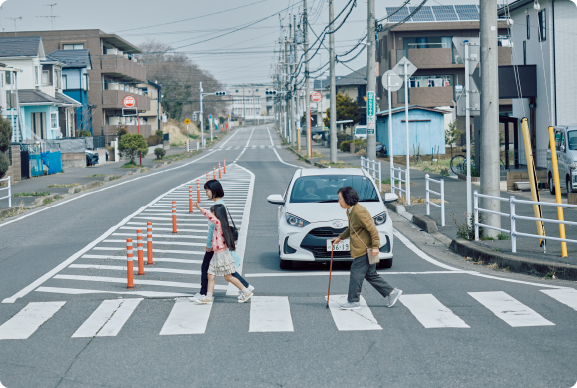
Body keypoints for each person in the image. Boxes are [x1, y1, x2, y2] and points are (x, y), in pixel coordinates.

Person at [331, 186, 402, 310]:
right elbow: (353, 229)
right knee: (370, 274)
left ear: (347, 199)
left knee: (355, 274)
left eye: (340, 199)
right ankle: (392, 292)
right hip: (364, 249)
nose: (338, 202)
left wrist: (375, 246)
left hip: (364, 250)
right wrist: (340, 237)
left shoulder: (359, 212)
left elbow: (372, 229)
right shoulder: (350, 211)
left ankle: (353, 301)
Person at [190, 180, 254, 303]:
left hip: (217, 248)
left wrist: (208, 244)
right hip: (219, 247)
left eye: (207, 190)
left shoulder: (217, 207)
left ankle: (206, 294)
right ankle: (244, 287)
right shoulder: (220, 204)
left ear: (213, 191)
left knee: (220, 271)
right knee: (220, 272)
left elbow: (212, 226)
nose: (206, 193)